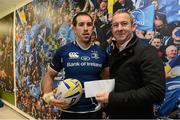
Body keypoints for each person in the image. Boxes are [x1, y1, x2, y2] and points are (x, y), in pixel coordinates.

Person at [95, 11, 165, 119]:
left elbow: (156, 91)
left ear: (133, 26)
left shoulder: (147, 51)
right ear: (112, 29)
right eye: (115, 25)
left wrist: (112, 98)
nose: (119, 28)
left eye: (124, 24)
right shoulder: (114, 53)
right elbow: (118, 86)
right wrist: (107, 109)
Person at [41, 12, 109, 119]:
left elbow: (106, 78)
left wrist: (105, 107)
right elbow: (49, 75)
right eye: (81, 24)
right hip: (69, 112)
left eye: (89, 24)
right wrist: (48, 97)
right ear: (74, 28)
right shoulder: (63, 51)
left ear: (93, 27)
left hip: (95, 112)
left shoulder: (102, 53)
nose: (86, 28)